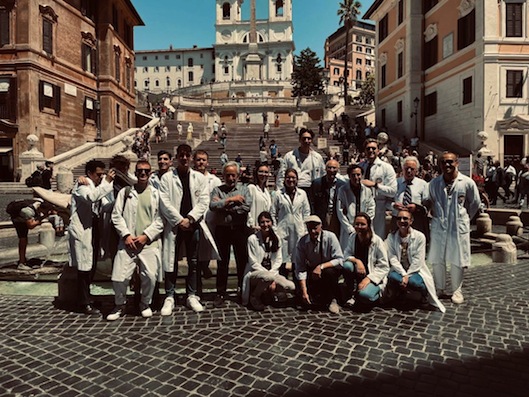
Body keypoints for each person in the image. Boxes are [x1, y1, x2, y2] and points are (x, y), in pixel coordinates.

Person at [107, 160, 164, 320]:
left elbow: (160, 219)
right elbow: (116, 215)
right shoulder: (125, 192)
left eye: (146, 171)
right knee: (119, 277)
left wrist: (146, 235)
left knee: (150, 276)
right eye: (140, 171)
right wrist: (125, 235)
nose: (143, 174)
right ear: (136, 172)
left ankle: (145, 303)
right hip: (128, 242)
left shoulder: (156, 193)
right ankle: (120, 305)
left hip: (148, 242)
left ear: (150, 173)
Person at [159, 144, 212, 314]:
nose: (184, 158)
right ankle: (169, 296)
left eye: (187, 155)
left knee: (193, 262)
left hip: (193, 225)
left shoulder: (199, 178)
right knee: (171, 260)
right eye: (181, 155)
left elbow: (204, 201)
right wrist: (179, 220)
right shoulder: (167, 178)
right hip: (175, 225)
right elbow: (164, 202)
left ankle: (192, 294)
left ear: (190, 157)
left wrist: (189, 218)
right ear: (176, 157)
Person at [428, 152, 480, 304]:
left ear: (457, 163)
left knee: (458, 259)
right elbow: (430, 200)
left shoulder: (467, 182)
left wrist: (464, 218)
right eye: (443, 162)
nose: (447, 165)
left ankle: (457, 290)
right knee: (438, 258)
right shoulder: (434, 183)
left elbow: (475, 203)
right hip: (439, 225)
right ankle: (439, 288)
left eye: (450, 162)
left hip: (458, 226)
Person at [68, 160, 115, 315]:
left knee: (91, 265)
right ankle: (83, 303)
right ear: (89, 173)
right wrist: (107, 182)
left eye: (102, 174)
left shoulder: (94, 185)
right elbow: (92, 198)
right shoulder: (83, 185)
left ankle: (87, 297)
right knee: (84, 268)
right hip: (83, 230)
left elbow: (102, 205)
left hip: (92, 229)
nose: (101, 177)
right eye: (98, 174)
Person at [209, 161, 253, 307]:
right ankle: (220, 292)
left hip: (239, 229)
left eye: (233, 175)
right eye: (228, 175)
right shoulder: (217, 189)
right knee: (222, 262)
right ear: (223, 176)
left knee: (242, 261)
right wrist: (232, 200)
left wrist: (223, 206)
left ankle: (242, 289)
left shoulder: (245, 189)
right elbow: (212, 206)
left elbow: (246, 208)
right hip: (223, 230)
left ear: (238, 175)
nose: (230, 178)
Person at [385, 210, 445, 312]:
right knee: (392, 277)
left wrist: (407, 276)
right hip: (400, 271)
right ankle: (400, 293)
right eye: (399, 218)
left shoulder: (419, 237)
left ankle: (424, 296)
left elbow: (418, 260)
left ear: (411, 221)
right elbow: (393, 258)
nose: (402, 221)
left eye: (405, 218)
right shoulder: (391, 237)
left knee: (414, 282)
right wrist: (403, 274)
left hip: (415, 271)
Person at [242, 211, 295, 310]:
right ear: (259, 224)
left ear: (272, 222)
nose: (265, 224)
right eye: (262, 222)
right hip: (255, 274)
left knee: (290, 286)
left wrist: (272, 275)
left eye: (267, 221)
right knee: (268, 278)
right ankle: (255, 296)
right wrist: (269, 276)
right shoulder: (252, 239)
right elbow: (253, 262)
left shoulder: (276, 238)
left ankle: (271, 294)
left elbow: (278, 260)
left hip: (272, 273)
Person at [294, 215, 344, 314]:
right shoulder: (302, 242)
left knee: (330, 272)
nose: (313, 232)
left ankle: (332, 299)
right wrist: (304, 290)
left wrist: (321, 267)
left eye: (315, 228)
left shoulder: (331, 237)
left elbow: (339, 259)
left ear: (321, 226)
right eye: (310, 229)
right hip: (312, 271)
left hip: (328, 269)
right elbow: (300, 267)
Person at [271, 168, 311, 281]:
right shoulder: (278, 194)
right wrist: (275, 230)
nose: (291, 180)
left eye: (293, 177)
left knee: (297, 261)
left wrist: (305, 230)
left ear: (297, 180)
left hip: (299, 231)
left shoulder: (302, 194)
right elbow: (273, 213)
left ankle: (298, 289)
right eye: (288, 177)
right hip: (282, 230)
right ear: (284, 179)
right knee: (282, 261)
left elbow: (306, 212)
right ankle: (283, 288)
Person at [342, 212, 389, 306]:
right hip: (358, 274)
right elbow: (346, 254)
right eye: (357, 224)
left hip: (373, 277)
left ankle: (378, 296)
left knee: (365, 296)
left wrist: (368, 279)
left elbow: (384, 266)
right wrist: (357, 261)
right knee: (347, 265)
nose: (359, 227)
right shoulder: (353, 237)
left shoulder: (376, 241)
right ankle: (351, 292)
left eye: (362, 224)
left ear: (368, 225)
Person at [359, 138, 397, 238]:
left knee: (377, 237)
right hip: (362, 205)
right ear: (364, 151)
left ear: (378, 150)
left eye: (373, 148)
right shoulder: (360, 166)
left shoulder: (386, 168)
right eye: (368, 149)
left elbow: (393, 191)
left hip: (378, 206)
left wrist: (375, 185)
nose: (371, 150)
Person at [193, 150, 222, 282]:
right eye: (198, 159)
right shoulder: (190, 177)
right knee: (194, 252)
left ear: (207, 162)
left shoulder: (215, 180)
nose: (201, 162)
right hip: (193, 218)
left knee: (208, 248)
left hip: (209, 219)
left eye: (203, 160)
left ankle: (204, 268)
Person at [8, 198, 55, 270]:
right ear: (41, 209)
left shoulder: (39, 202)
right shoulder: (28, 211)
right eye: (46, 211)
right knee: (23, 238)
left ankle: (22, 258)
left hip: (23, 215)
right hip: (18, 218)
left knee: (24, 239)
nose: (47, 212)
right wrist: (43, 217)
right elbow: (31, 226)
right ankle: (21, 263)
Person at [336, 164, 376, 248]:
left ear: (362, 175)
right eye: (353, 175)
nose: (356, 177)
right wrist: (349, 228)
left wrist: (365, 224)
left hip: (365, 227)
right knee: (348, 251)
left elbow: (371, 208)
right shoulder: (343, 190)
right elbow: (340, 211)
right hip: (349, 227)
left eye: (358, 175)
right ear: (349, 176)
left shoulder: (367, 190)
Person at [391, 156, 430, 240]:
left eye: (412, 169)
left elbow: (427, 205)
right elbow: (387, 200)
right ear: (402, 169)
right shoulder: (395, 183)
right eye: (406, 168)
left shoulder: (423, 184)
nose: (409, 171)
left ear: (416, 171)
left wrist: (417, 208)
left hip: (415, 221)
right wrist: (393, 205)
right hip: (397, 219)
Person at [276, 128, 325, 194]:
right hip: (294, 187)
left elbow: (323, 175)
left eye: (309, 138)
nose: (306, 141)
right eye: (304, 138)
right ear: (299, 139)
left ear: (312, 140)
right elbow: (282, 174)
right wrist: (280, 191)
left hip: (311, 189)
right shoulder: (289, 156)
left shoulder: (318, 157)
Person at [309, 159, 346, 238]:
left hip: (336, 216)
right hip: (322, 215)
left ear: (338, 169)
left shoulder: (342, 185)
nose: (331, 170)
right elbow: (312, 201)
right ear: (325, 169)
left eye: (334, 168)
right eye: (329, 167)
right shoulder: (317, 183)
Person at [248, 163, 272, 231]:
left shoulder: (266, 192)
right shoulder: (251, 188)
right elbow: (247, 208)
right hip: (255, 227)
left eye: (266, 172)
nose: (263, 174)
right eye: (261, 171)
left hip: (264, 228)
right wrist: (252, 224)